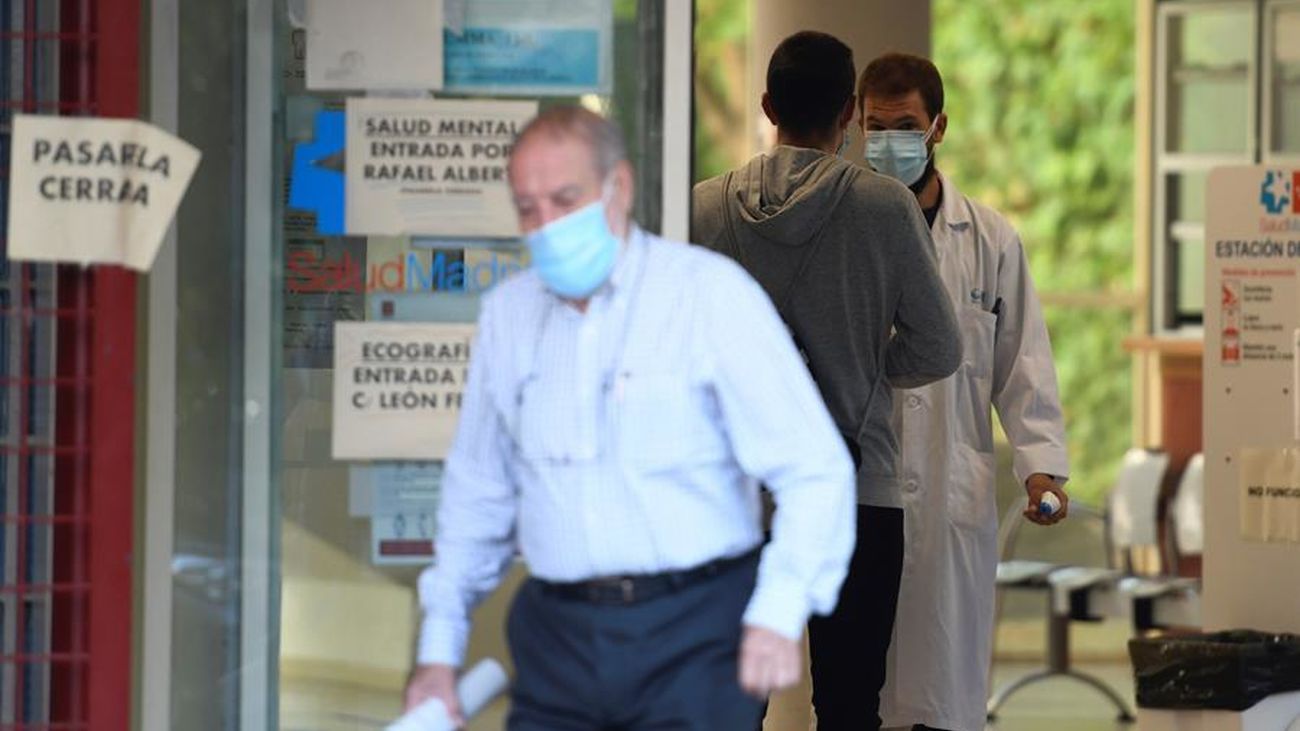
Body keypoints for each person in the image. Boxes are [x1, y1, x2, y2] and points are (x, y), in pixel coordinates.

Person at [403, 105, 857, 731]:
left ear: (619, 187)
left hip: (694, 636)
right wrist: (438, 651)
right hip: (556, 637)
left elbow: (814, 469)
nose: (546, 225)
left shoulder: (707, 296)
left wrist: (779, 610)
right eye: (527, 208)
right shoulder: (508, 317)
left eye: (565, 199)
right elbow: (477, 492)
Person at [693, 31, 963, 731]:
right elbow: (939, 346)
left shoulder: (701, 210)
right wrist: (865, 370)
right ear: (849, 113)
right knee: (848, 705)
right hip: (857, 490)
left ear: (766, 104)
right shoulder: (884, 208)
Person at [858, 53, 1072, 731]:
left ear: (939, 126)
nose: (890, 141)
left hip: (954, 486)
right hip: (862, 488)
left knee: (945, 695)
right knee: (857, 692)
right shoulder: (845, 230)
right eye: (875, 126)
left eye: (906, 125)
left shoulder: (989, 240)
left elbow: (1023, 363)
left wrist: (1041, 464)